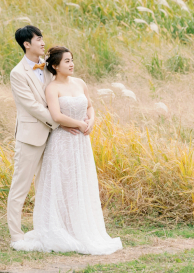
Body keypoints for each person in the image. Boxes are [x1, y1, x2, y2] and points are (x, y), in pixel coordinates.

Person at [11, 45, 122, 255]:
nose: (71, 64)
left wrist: (91, 121)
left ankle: (79, 226)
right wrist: (79, 124)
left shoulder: (80, 83)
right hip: (62, 141)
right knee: (62, 183)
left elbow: (90, 106)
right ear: (55, 66)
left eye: (72, 60)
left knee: (79, 182)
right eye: (67, 61)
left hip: (81, 142)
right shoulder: (52, 88)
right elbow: (56, 116)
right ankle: (60, 227)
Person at [7, 25, 64, 246]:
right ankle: (16, 235)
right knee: (20, 187)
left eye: (42, 38)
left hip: (54, 137)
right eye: (38, 39)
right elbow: (31, 106)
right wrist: (58, 121)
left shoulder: (50, 67)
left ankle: (46, 230)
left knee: (46, 186)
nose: (43, 42)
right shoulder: (17, 73)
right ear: (26, 44)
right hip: (30, 137)